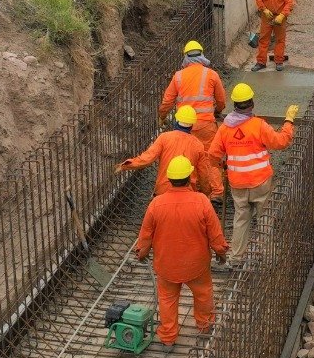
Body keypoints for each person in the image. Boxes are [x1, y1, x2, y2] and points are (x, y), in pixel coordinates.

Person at [133, 156, 228, 348]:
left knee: (167, 300)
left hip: (166, 266)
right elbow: (215, 233)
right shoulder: (201, 201)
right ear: (190, 177)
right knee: (203, 294)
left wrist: (142, 254)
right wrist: (220, 252)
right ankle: (204, 325)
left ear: (169, 179)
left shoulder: (156, 204)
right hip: (197, 265)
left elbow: (145, 237)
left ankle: (168, 338)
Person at [207, 85, 296, 269]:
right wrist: (288, 121)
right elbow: (281, 142)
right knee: (265, 218)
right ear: (252, 104)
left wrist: (224, 165)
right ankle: (267, 257)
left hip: (238, 183)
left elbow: (213, 155)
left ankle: (236, 257)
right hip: (261, 181)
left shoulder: (225, 128)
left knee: (241, 218)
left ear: (235, 105)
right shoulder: (259, 125)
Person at [158, 40, 227, 197]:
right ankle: (216, 192)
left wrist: (162, 116)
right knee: (210, 157)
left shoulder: (178, 77)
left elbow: (167, 101)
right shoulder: (212, 74)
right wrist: (217, 111)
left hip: (184, 127)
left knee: (188, 157)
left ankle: (193, 191)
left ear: (186, 57)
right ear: (202, 55)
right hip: (206, 125)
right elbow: (221, 100)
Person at [116, 105, 216, 198]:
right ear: (192, 125)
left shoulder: (164, 138)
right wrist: (206, 193)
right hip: (188, 192)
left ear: (177, 120)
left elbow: (147, 158)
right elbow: (204, 174)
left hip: (163, 191)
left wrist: (126, 165)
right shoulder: (198, 145)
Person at [253, 0, 294, 72]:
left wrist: (282, 15)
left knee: (280, 40)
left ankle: (279, 61)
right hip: (267, 16)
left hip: (280, 17)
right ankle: (261, 62)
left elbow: (290, 3)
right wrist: (264, 9)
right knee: (263, 39)